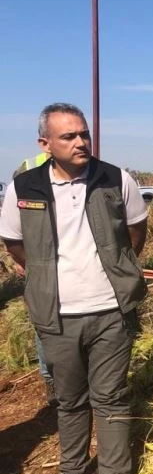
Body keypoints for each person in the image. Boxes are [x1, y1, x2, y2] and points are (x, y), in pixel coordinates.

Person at [0, 103, 148, 474]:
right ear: (45, 143)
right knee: (69, 400)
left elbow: (136, 231)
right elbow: (14, 242)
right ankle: (74, 471)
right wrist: (45, 274)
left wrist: (117, 270)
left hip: (110, 311)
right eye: (69, 136)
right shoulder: (24, 187)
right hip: (56, 315)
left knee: (112, 397)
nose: (81, 141)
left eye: (83, 134)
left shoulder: (115, 178)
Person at [11, 152, 58, 406]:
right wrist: (21, 260)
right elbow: (14, 223)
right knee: (44, 323)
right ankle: (49, 378)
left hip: (70, 262)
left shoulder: (78, 167)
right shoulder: (29, 168)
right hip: (38, 262)